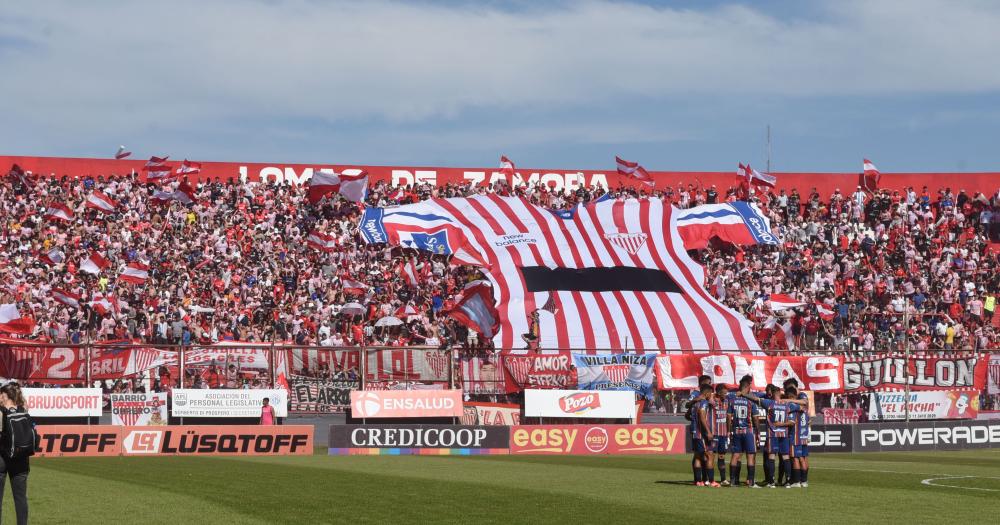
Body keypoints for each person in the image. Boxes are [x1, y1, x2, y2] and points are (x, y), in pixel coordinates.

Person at [0, 383, 30, 525]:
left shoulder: (1, 412)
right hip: (21, 457)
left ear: (5, 396)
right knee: (21, 499)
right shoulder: (24, 409)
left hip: (2, 457)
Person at [728, 375, 760, 488]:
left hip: (736, 431)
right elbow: (755, 418)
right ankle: (751, 482)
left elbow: (729, 416)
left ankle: (732, 481)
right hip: (748, 431)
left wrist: (729, 430)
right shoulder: (751, 400)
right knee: (750, 456)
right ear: (747, 387)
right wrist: (758, 431)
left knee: (735, 455)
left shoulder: (732, 399)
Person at [689, 384, 717, 487]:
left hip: (695, 433)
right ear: (707, 393)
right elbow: (702, 417)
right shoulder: (704, 402)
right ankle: (711, 481)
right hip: (701, 434)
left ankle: (698, 481)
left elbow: (688, 415)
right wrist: (708, 432)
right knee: (709, 455)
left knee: (697, 456)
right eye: (711, 393)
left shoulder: (695, 403)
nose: (711, 395)